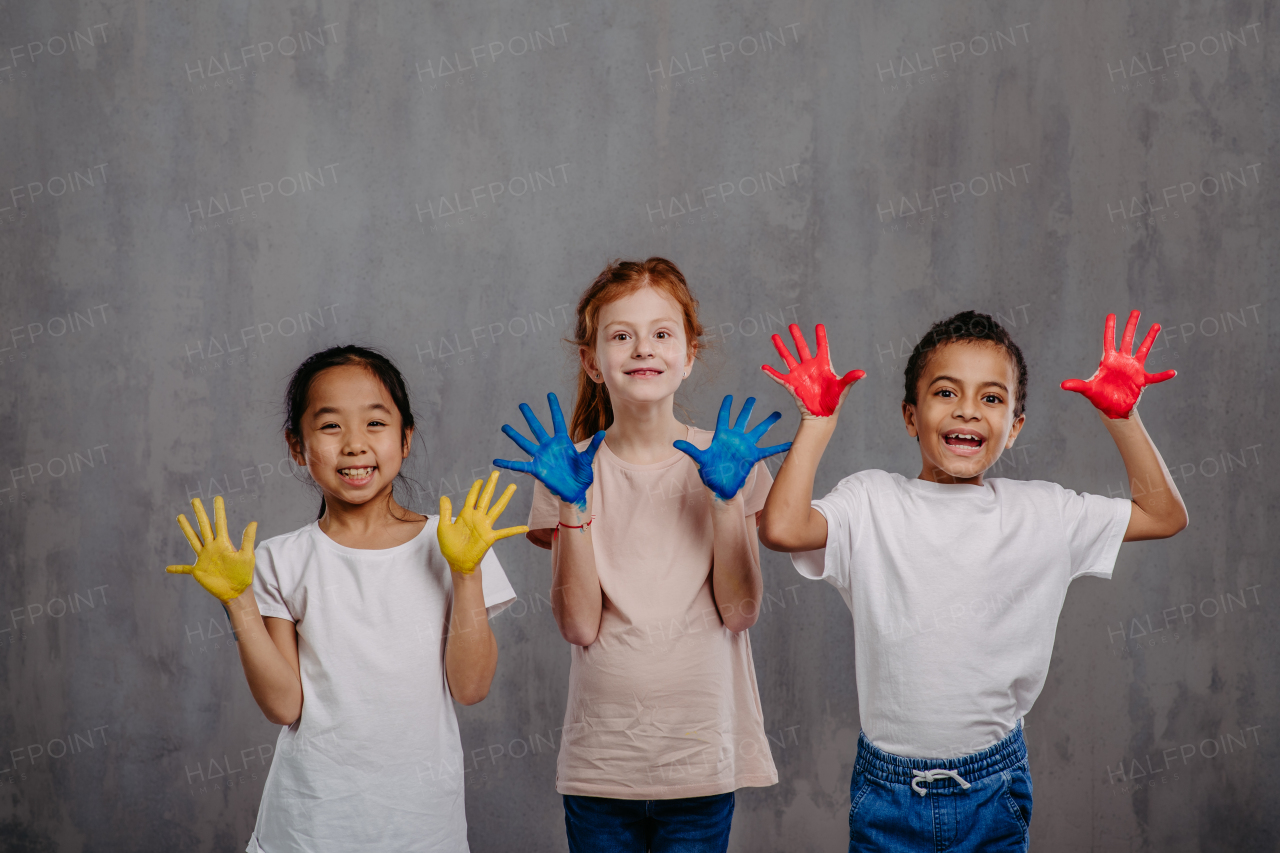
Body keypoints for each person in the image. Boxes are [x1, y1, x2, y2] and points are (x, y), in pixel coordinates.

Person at [757, 311, 1188, 852]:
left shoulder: (1043, 512)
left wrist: (1122, 419)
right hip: (886, 791)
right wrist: (817, 424)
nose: (968, 409)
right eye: (945, 392)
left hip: (993, 789)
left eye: (991, 398)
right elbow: (782, 528)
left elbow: (1163, 516)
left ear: (1016, 428)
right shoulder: (871, 501)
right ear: (910, 417)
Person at [164, 345, 527, 852]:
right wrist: (239, 602)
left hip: (422, 828)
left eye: (375, 424)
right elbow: (284, 705)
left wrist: (466, 574)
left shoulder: (457, 543)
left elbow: (470, 687)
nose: (355, 445)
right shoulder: (278, 559)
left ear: (406, 437)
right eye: (330, 426)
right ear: (297, 445)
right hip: (307, 826)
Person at [493, 258, 790, 853]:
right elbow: (578, 626)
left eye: (661, 333)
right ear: (591, 360)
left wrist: (727, 500)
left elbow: (740, 612)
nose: (642, 349)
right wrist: (572, 503)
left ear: (690, 353)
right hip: (602, 765)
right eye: (620, 335)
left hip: (700, 760)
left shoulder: (726, 457)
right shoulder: (566, 468)